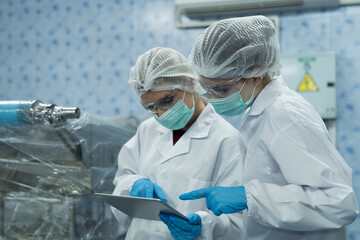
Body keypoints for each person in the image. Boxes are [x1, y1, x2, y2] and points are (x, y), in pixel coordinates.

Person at [179, 15, 359, 239]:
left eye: (222, 89)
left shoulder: (284, 113)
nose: (213, 98)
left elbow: (339, 202)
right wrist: (210, 225)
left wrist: (250, 198)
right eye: (207, 89)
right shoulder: (259, 112)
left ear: (256, 72)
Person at [111, 47, 246, 239]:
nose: (161, 113)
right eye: (151, 107)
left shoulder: (227, 140)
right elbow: (124, 176)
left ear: (190, 82)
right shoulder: (147, 129)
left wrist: (205, 226)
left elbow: (238, 221)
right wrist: (133, 183)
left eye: (166, 100)